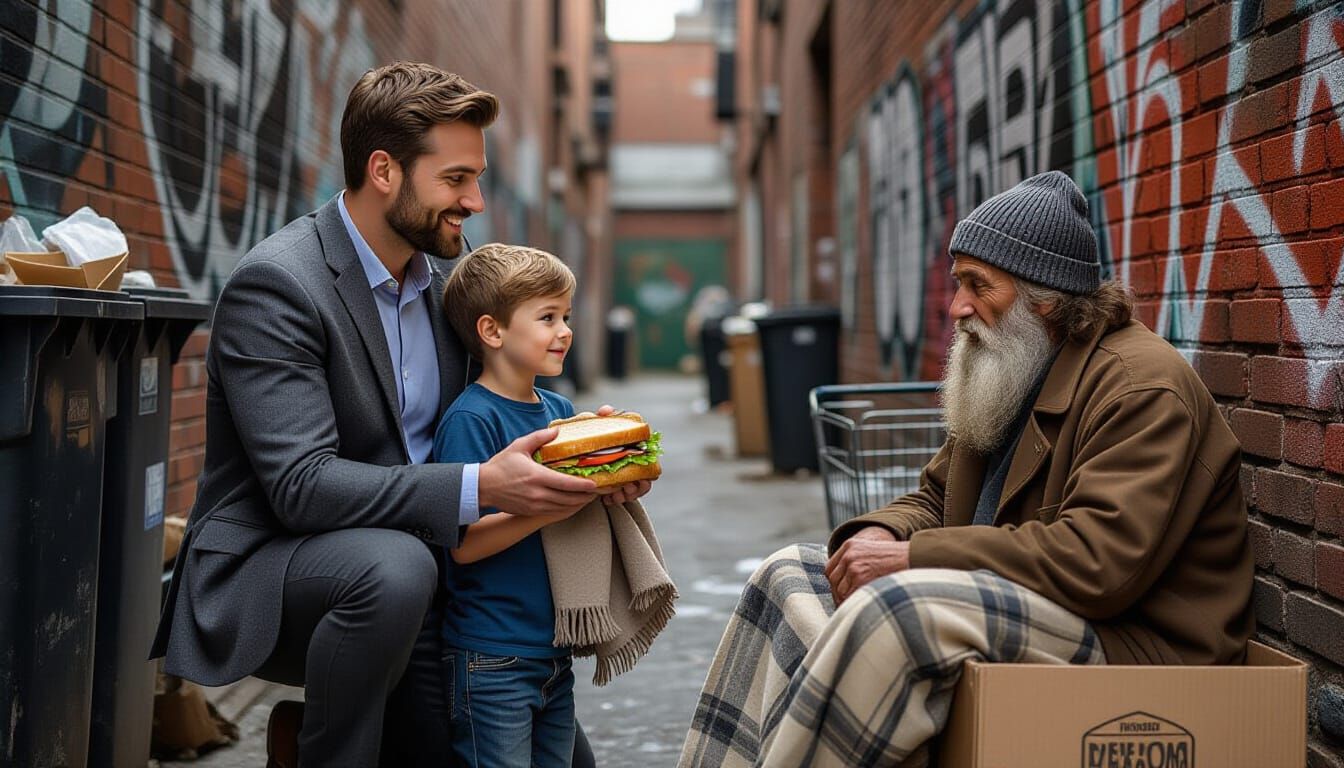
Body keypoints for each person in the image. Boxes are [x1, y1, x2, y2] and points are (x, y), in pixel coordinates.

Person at [150, 62, 647, 766]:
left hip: (430, 566)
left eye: (476, 177)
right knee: (397, 568)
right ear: (383, 170)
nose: (474, 201)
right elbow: (302, 486)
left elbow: (497, 402)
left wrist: (582, 456)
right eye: (455, 179)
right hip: (290, 565)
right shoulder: (279, 285)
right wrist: (481, 488)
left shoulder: (450, 273)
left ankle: (342, 736)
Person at [678, 171, 1253, 767]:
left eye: (980, 286)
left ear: (1046, 297)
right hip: (1041, 607)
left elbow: (1097, 565)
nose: (957, 307)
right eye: (958, 284)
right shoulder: (1014, 364)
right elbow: (934, 498)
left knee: (898, 615)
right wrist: (881, 533)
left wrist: (912, 559)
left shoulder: (1140, 388)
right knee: (792, 573)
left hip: (1134, 640)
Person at [432, 243, 584, 767]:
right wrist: (548, 507)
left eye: (566, 316)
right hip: (489, 654)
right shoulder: (471, 420)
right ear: (492, 331)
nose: (565, 330)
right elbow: (464, 547)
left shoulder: (561, 411)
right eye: (547, 317)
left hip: (553, 653)